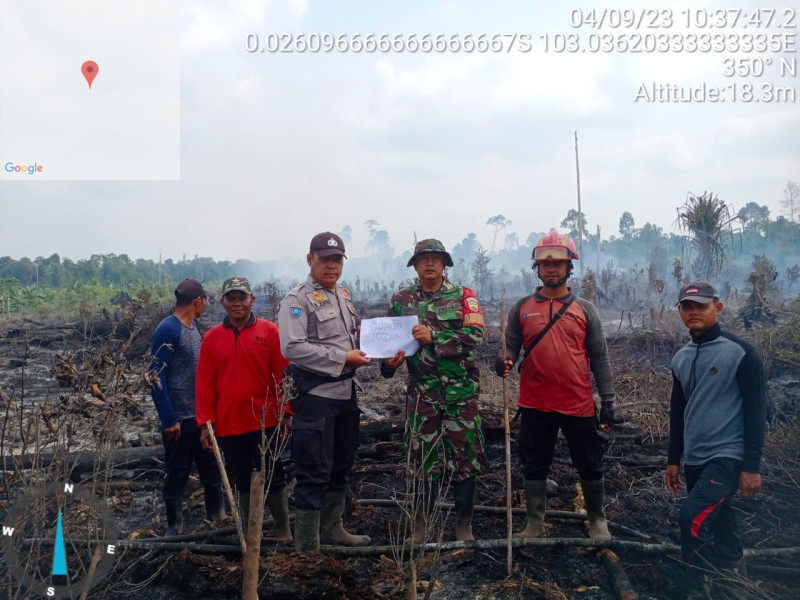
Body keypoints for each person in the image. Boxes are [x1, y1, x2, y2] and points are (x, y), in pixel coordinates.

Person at [496, 231, 616, 540]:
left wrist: (608, 400)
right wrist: (504, 361)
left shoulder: (585, 309)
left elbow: (600, 357)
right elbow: (510, 346)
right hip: (535, 403)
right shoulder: (522, 308)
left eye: (558, 264)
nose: (551, 269)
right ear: (536, 267)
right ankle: (535, 523)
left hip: (577, 403)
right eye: (545, 265)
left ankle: (597, 521)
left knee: (589, 463)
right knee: (534, 464)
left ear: (569, 267)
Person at [665, 281, 766, 600]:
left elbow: (756, 411)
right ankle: (738, 588)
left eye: (701, 306)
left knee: (691, 517)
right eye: (686, 306)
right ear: (679, 310)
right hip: (695, 457)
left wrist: (751, 465)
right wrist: (673, 459)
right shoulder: (681, 357)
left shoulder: (741, 353)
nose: (693, 311)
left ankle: (697, 589)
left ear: (718, 308)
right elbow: (678, 410)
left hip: (727, 455)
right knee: (721, 522)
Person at [381, 239, 486, 542]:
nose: (429, 263)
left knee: (466, 458)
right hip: (422, 395)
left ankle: (463, 526)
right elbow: (389, 345)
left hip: (460, 394)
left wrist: (434, 337)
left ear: (444, 264)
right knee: (422, 460)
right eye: (423, 258)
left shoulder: (464, 295)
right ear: (414, 265)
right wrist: (388, 364)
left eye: (435, 258)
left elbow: (476, 334)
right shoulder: (401, 299)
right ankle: (420, 527)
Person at [278, 232, 371, 552]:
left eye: (337, 260)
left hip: (346, 395)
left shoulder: (343, 296)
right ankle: (307, 547)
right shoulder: (297, 299)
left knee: (342, 464)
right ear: (310, 260)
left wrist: (372, 345)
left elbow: (348, 342)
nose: (331, 266)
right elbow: (292, 347)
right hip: (316, 398)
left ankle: (333, 529)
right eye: (324, 259)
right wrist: (341, 357)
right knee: (313, 469)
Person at [195, 276, 292, 542]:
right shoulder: (212, 339)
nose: (237, 303)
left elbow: (282, 374)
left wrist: (286, 412)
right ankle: (253, 532)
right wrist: (205, 423)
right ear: (223, 302)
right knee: (239, 477)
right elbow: (204, 383)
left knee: (273, 473)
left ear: (252, 300)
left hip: (266, 420)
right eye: (231, 298)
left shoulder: (270, 331)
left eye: (242, 298)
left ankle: (282, 528)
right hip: (228, 423)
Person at [149, 279, 224, 536]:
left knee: (210, 466)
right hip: (180, 419)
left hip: (200, 416)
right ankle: (174, 525)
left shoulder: (193, 328)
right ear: (197, 301)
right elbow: (155, 376)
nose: (206, 305)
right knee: (177, 471)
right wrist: (169, 419)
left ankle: (217, 516)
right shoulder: (168, 329)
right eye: (205, 301)